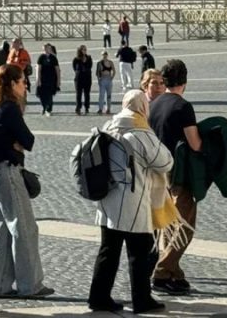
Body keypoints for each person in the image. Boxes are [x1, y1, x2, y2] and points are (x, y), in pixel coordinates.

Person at [89, 90, 173, 313]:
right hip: (134, 202)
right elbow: (165, 162)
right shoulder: (141, 132)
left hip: (107, 199)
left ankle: (98, 297)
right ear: (143, 107)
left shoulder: (109, 126)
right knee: (140, 254)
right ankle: (141, 300)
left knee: (108, 251)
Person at [0, 64, 53, 299]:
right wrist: (15, 143)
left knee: (2, 229)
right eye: (22, 81)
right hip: (8, 171)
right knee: (25, 228)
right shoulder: (10, 108)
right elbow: (28, 140)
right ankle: (30, 284)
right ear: (12, 84)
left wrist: (13, 143)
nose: (26, 85)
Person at [149, 59, 203, 295]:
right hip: (178, 174)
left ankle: (174, 272)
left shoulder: (155, 103)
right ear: (185, 80)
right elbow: (195, 144)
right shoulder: (183, 107)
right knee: (184, 225)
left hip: (156, 171)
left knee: (167, 224)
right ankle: (161, 272)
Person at [35, 43, 60, 117]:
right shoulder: (41, 57)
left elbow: (57, 70)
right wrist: (38, 79)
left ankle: (49, 109)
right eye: (45, 48)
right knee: (41, 95)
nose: (46, 50)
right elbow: (38, 69)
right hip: (42, 79)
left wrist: (58, 80)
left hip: (51, 79)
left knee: (49, 95)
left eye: (47, 48)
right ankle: (44, 107)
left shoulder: (53, 58)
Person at [73, 45, 93, 116]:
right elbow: (74, 68)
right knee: (78, 94)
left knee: (87, 94)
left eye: (85, 49)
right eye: (83, 49)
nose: (85, 51)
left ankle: (87, 107)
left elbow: (90, 66)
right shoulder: (76, 59)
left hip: (87, 78)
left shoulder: (89, 58)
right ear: (80, 50)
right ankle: (78, 108)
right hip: (79, 78)